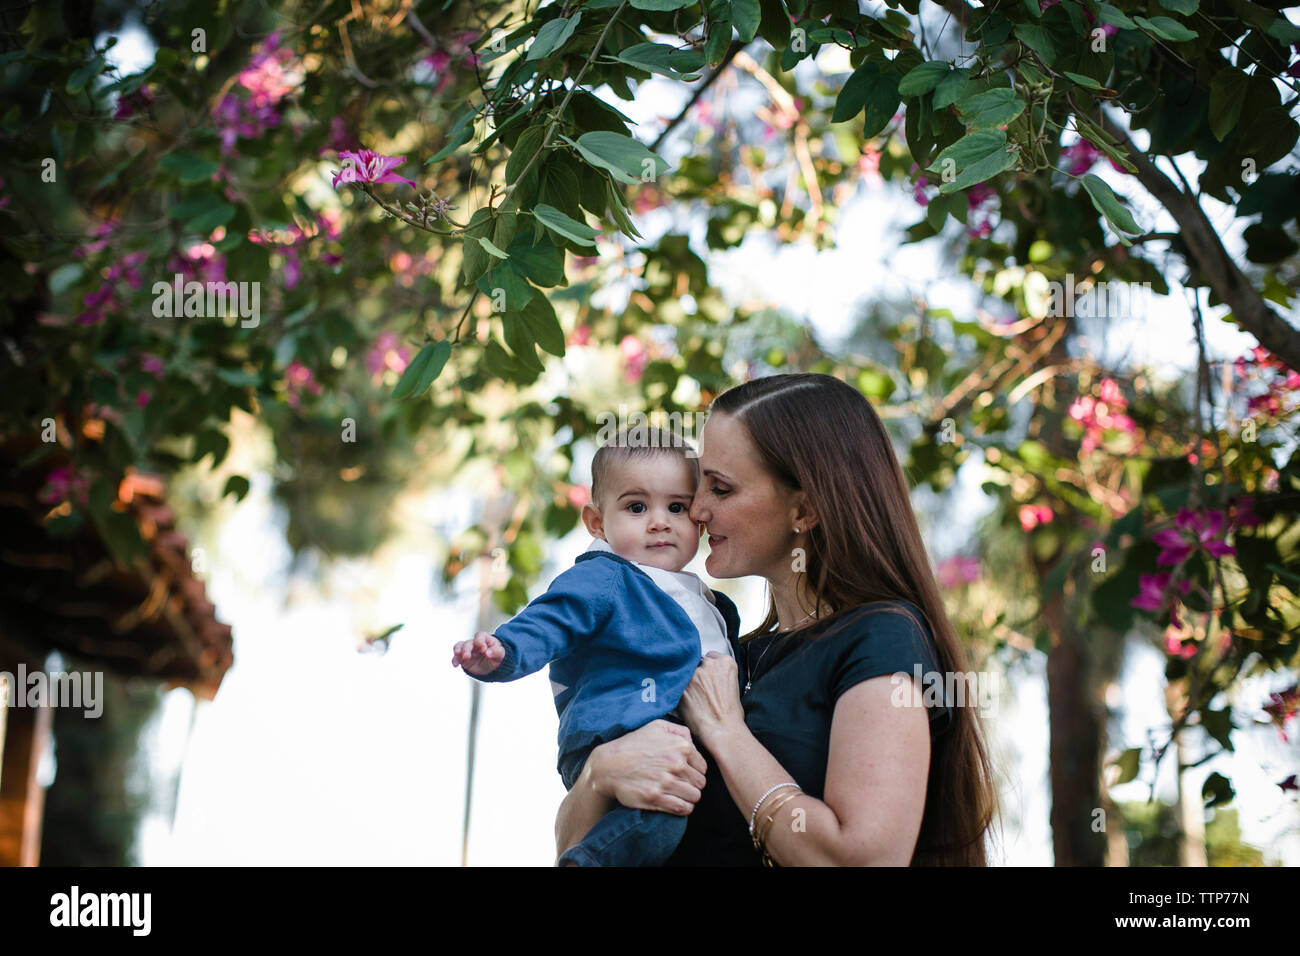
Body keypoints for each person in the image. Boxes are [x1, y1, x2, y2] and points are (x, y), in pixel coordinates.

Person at [555, 372, 1001, 866]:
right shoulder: (731, 655)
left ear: (804, 509)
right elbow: (576, 849)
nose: (696, 510)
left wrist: (727, 733)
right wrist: (599, 772)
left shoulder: (880, 638)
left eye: (719, 489)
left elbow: (862, 861)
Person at [451, 426, 742, 866]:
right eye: (637, 506)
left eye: (677, 507)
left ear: (698, 522)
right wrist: (503, 651)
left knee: (679, 811)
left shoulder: (706, 601)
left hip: (674, 742)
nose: (659, 521)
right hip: (619, 728)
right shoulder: (605, 579)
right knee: (658, 819)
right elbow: (553, 617)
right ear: (598, 523)